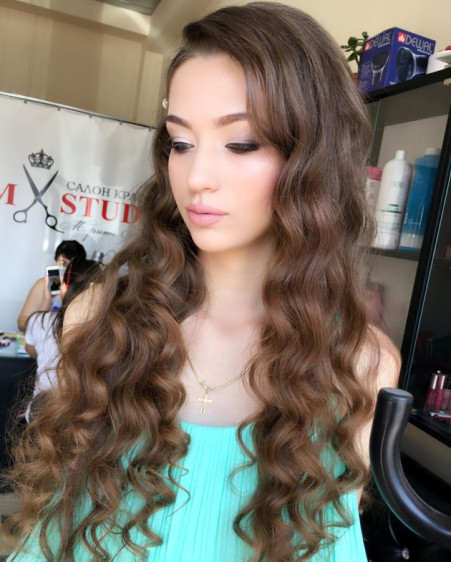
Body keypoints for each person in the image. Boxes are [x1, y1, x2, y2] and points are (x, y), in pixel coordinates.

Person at [6, 3, 400, 561]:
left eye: (242, 144)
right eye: (181, 143)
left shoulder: (360, 364)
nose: (197, 177)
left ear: (315, 160)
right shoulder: (100, 323)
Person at [23, 258, 102, 421]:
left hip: (40, 414)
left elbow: (32, 351)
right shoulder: (106, 332)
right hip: (82, 420)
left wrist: (47, 300)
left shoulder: (40, 321)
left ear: (64, 287)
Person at [17, 240, 87, 332]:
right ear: (55, 261)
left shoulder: (83, 291)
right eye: (63, 263)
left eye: (72, 266)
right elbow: (21, 323)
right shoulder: (42, 285)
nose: (67, 269)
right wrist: (45, 306)